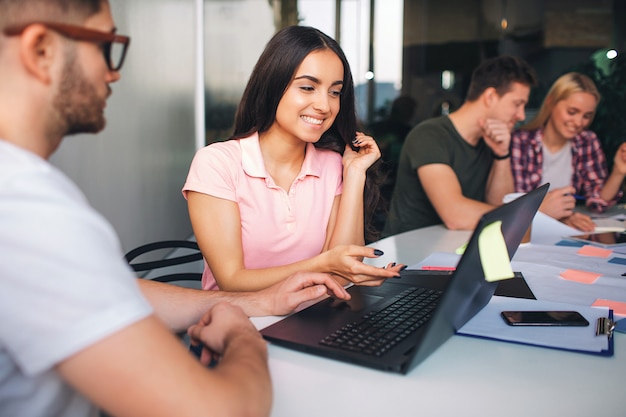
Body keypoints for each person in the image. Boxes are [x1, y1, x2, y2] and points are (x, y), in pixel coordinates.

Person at [0, 1, 353, 416]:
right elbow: (220, 410)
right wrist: (241, 334)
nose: (114, 72)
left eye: (334, 91)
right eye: (107, 47)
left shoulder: (27, 197)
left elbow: (113, 288)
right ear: (41, 50)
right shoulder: (26, 211)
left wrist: (257, 303)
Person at [183, 25, 404, 292]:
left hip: (313, 317)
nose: (325, 105)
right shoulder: (217, 164)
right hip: (241, 322)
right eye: (308, 87)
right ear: (273, 85)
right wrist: (324, 265)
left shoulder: (334, 166)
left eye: (335, 92)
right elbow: (232, 281)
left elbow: (344, 275)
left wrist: (355, 174)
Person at [383, 55, 538, 236]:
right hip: (408, 256)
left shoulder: (491, 140)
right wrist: (523, 217)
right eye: (517, 104)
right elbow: (455, 215)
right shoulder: (429, 135)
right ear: (490, 96)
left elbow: (500, 207)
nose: (520, 116)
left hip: (455, 250)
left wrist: (502, 155)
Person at [511, 72, 626, 232]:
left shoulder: (587, 141)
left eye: (587, 116)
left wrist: (619, 171)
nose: (579, 122)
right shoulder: (521, 141)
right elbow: (515, 202)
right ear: (551, 102)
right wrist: (560, 216)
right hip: (526, 233)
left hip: (565, 234)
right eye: (572, 112)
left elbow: (598, 202)